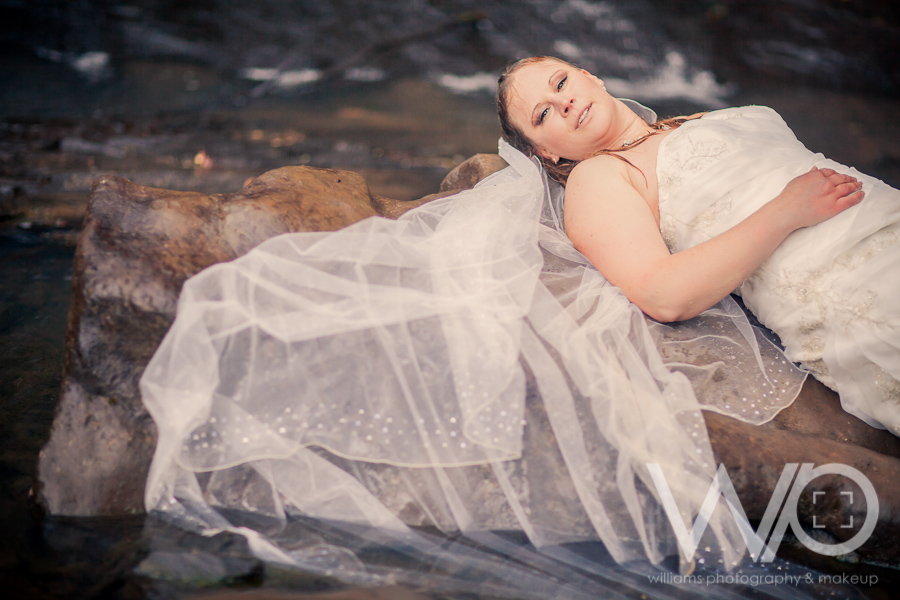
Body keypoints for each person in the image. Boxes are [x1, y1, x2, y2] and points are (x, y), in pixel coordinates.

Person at [497, 56, 900, 436]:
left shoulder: (694, 121)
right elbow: (662, 293)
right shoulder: (598, 177)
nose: (562, 102)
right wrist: (785, 211)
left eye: (561, 82)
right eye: (543, 113)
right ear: (544, 151)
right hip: (844, 277)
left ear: (591, 76)